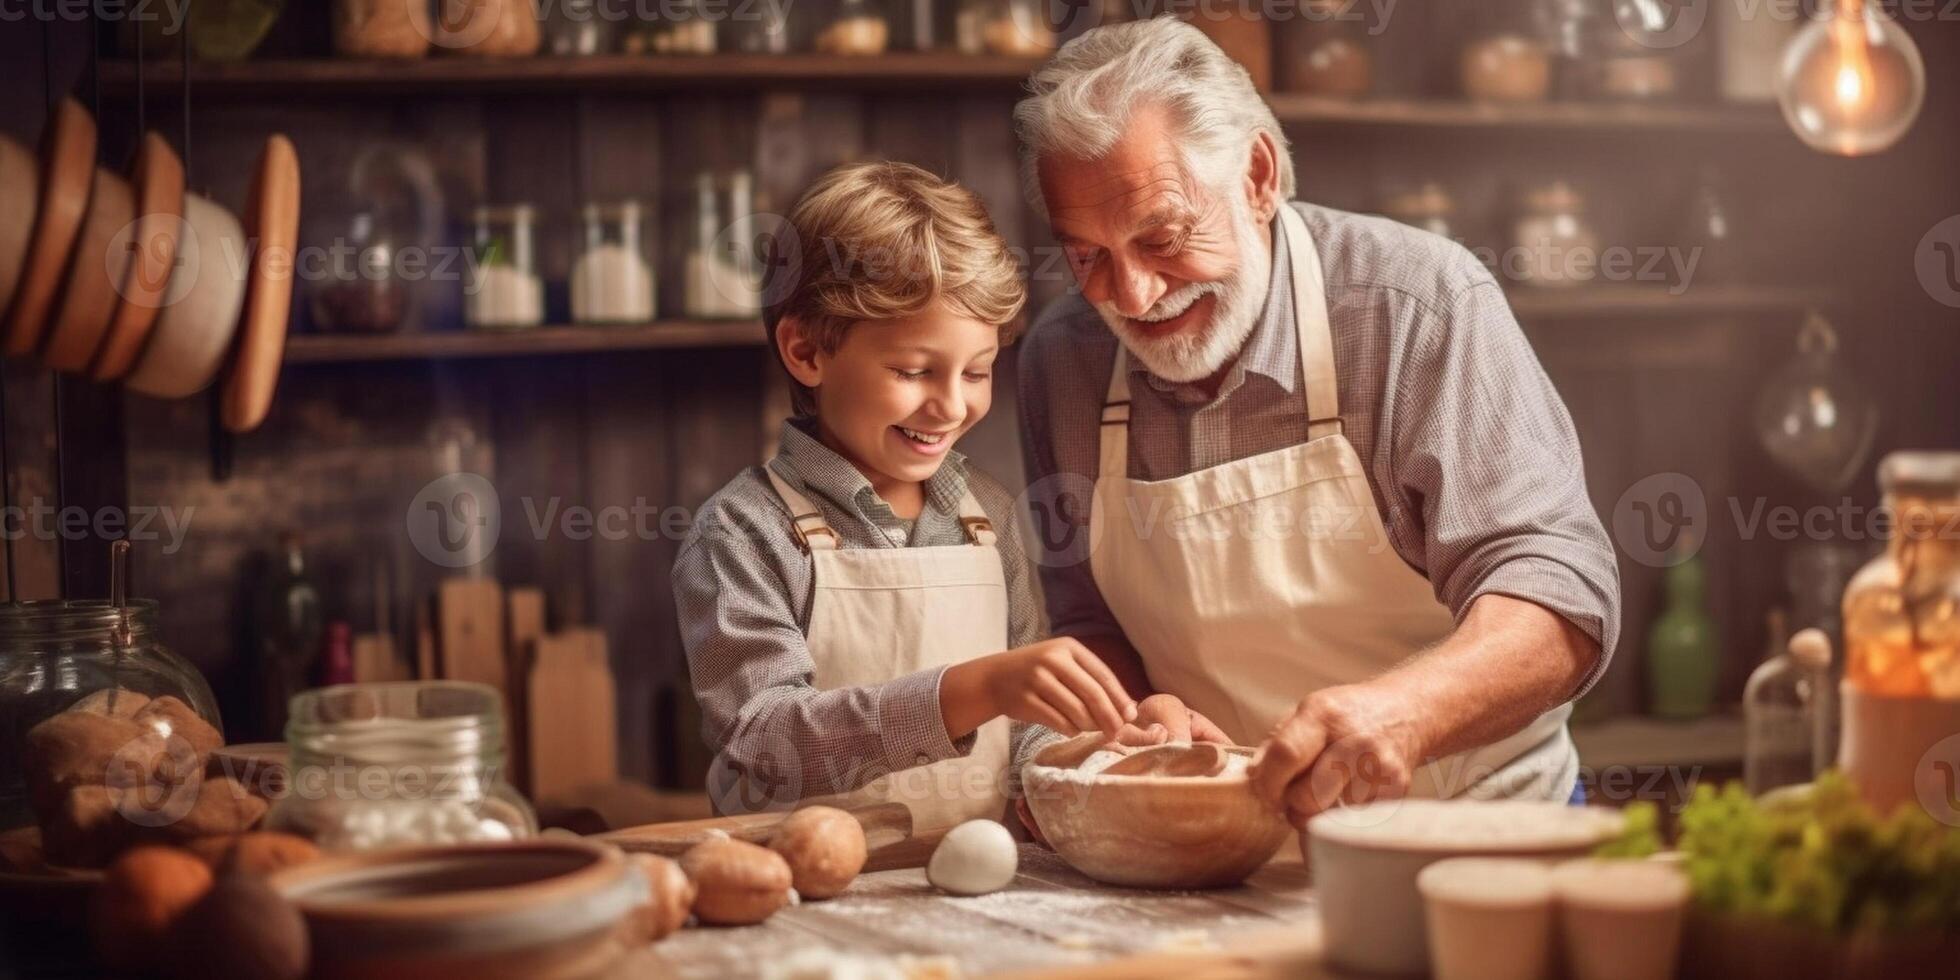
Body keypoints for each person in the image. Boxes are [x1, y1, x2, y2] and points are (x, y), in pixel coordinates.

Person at [1012, 19, 1623, 826]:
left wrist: (1405, 712)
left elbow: (1558, 594)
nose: (1131, 295)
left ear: (1258, 177)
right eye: (1086, 256)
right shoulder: (1061, 361)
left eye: (1161, 238)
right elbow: (1089, 621)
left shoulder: (1416, 304)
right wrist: (1136, 713)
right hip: (1222, 845)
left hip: (1474, 824)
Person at [675, 161, 1159, 832]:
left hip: (975, 893)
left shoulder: (985, 513)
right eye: (913, 371)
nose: (952, 406)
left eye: (979, 371)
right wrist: (971, 690)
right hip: (800, 899)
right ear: (807, 351)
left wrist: (1102, 748)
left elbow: (1020, 739)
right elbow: (767, 743)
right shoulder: (743, 531)